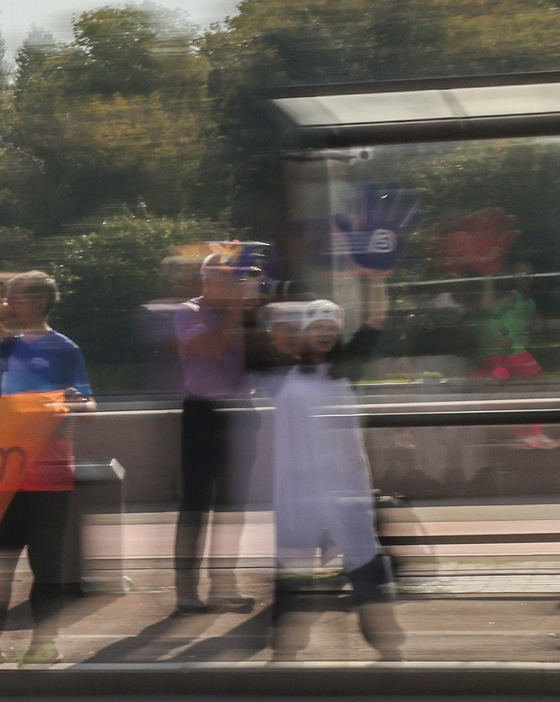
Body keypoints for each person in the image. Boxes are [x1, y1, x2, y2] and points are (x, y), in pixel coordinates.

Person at [0, 273, 93, 668]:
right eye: (6, 299)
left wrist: (77, 403)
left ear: (39, 304)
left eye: (14, 299)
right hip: (0, 474)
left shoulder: (64, 349)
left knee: (46, 565)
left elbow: (89, 405)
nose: (5, 307)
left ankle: (45, 643)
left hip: (47, 476)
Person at [255, 285, 403, 661]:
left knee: (362, 558)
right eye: (318, 326)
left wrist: (375, 277)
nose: (325, 333)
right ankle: (286, 647)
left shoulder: (348, 366)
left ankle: (388, 643)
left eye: (331, 327)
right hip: (298, 485)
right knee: (294, 563)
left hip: (344, 483)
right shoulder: (283, 369)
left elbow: (375, 322)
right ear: (304, 332)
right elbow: (255, 331)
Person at [172, 251, 261, 612]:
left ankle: (224, 584)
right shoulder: (188, 312)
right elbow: (212, 349)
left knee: (232, 505)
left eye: (236, 280)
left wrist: (258, 310)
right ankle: (186, 591)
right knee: (196, 503)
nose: (233, 287)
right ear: (207, 281)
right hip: (202, 411)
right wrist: (237, 311)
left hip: (241, 410)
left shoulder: (247, 311)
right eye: (226, 280)